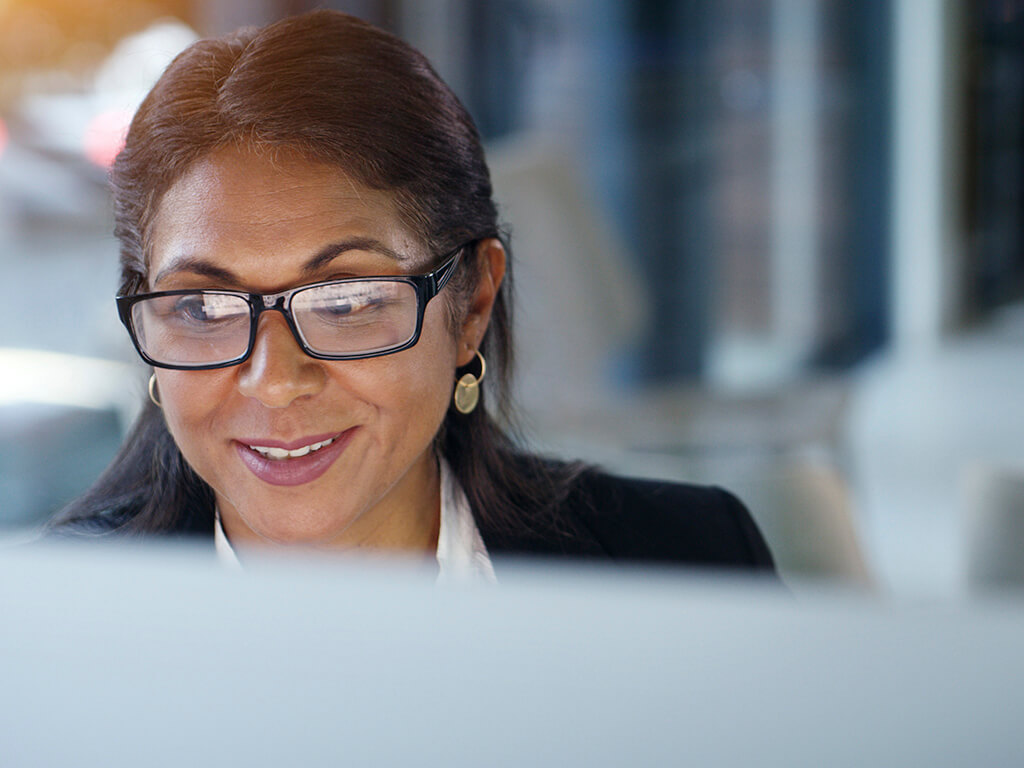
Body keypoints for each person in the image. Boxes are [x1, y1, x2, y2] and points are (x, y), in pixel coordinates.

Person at [50, 10, 774, 580]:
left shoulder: (690, 564)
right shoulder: (46, 627)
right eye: (201, 309)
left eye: (345, 300)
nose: (273, 383)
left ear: (473, 306)